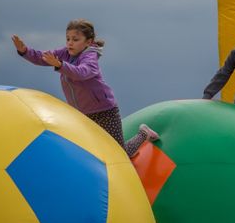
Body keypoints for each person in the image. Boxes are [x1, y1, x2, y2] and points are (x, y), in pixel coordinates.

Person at [12, 19, 159, 158]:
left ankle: (143, 134)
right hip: (82, 115)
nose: (70, 43)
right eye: (68, 39)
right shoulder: (64, 53)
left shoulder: (90, 57)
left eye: (75, 40)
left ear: (88, 42)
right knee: (91, 153)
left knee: (120, 153)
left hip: (105, 112)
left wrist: (60, 65)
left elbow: (82, 73)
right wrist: (24, 51)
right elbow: (43, 57)